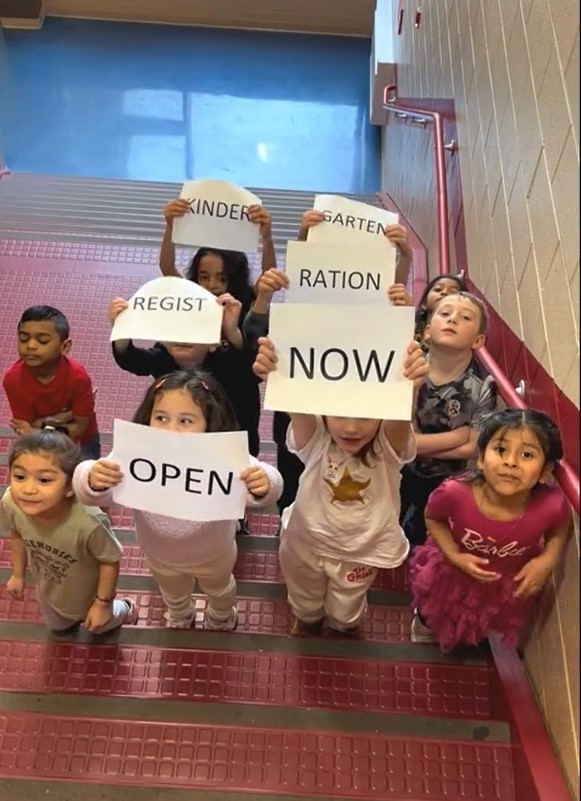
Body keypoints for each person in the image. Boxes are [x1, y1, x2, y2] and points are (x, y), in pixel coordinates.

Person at [73, 370, 283, 630]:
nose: (171, 429)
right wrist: (92, 478)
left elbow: (267, 484)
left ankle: (221, 616)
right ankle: (181, 614)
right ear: (148, 417)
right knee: (172, 592)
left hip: (214, 552)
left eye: (186, 421)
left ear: (209, 422)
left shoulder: (222, 456)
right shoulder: (136, 454)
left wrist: (264, 484)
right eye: (161, 417)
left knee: (220, 589)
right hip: (159, 553)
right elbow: (93, 492)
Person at [253, 337, 428, 636]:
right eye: (340, 414)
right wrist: (277, 376)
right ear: (323, 412)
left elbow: (399, 421)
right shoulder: (317, 439)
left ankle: (342, 627)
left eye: (364, 416)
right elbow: (297, 408)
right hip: (305, 541)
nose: (350, 427)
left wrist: (407, 391)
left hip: (360, 548)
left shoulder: (386, 450)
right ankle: (308, 620)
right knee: (304, 600)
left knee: (346, 612)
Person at [409, 408, 572, 651]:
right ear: (482, 458)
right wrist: (454, 555)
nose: (510, 462)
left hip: (500, 584)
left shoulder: (552, 505)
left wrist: (547, 561)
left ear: (545, 472)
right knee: (432, 613)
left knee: (481, 622)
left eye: (527, 455)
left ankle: (465, 639)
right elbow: (433, 518)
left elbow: (559, 529)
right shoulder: (454, 493)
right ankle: (422, 631)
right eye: (501, 450)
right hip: (451, 573)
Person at [2, 428, 136, 633]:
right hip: (48, 590)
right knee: (58, 626)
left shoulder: (89, 521)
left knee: (100, 626)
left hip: (91, 596)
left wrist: (103, 603)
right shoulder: (12, 503)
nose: (28, 489)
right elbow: (17, 534)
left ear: (70, 486)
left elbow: (110, 559)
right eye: (20, 476)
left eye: (44, 480)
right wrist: (18, 574)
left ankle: (125, 609)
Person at [107, 295, 261, 458]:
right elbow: (132, 360)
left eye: (194, 330)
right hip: (176, 449)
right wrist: (121, 331)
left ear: (214, 343)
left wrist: (232, 332)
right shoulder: (162, 357)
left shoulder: (227, 360)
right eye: (176, 330)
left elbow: (250, 371)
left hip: (232, 444)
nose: (183, 337)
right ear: (164, 340)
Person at [400, 292, 497, 546]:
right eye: (444, 313)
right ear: (428, 331)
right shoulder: (408, 365)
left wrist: (414, 444)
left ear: (478, 340)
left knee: (425, 526)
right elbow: (398, 434)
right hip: (396, 468)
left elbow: (474, 447)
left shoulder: (482, 384)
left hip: (445, 478)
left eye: (465, 317)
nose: (453, 319)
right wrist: (455, 436)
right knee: (390, 512)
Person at [3, 305, 101, 459]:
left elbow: (80, 427)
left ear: (65, 347)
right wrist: (66, 416)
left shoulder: (78, 377)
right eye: (23, 339)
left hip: (84, 439)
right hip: (41, 444)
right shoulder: (13, 379)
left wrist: (40, 425)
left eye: (42, 341)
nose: (31, 346)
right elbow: (23, 428)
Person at [159, 198, 276, 321]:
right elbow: (167, 267)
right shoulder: (190, 297)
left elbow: (270, 274)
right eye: (204, 277)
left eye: (222, 278)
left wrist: (266, 237)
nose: (212, 285)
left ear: (236, 278)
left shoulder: (248, 299)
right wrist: (171, 226)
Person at [414, 273, 467, 350]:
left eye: (453, 292)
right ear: (424, 302)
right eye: (438, 289)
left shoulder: (462, 335)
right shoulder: (409, 327)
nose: (444, 292)